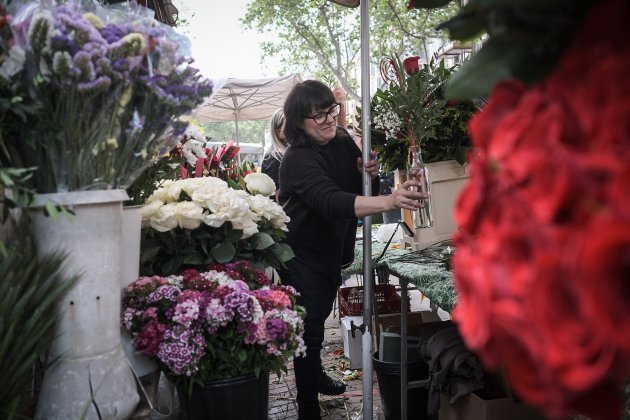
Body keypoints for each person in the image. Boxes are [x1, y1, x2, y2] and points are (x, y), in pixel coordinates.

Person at [278, 80, 424, 419]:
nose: (330, 119)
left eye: (332, 110)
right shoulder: (296, 159)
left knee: (318, 317)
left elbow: (357, 187)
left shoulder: (342, 140)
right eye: (319, 115)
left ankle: (315, 375)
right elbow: (331, 201)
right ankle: (307, 407)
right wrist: (389, 199)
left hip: (333, 248)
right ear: (299, 121)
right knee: (310, 329)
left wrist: (368, 175)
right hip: (302, 254)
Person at [261, 108, 287, 194]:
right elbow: (273, 191)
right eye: (287, 126)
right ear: (278, 131)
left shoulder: (287, 151)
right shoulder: (273, 158)